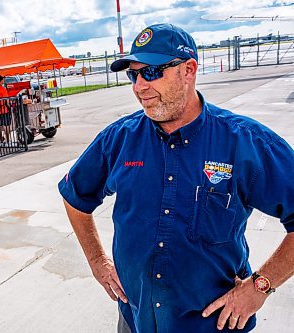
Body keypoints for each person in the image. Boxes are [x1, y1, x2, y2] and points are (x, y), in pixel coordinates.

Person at [58, 23, 293, 333]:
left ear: (189, 70)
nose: (139, 87)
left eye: (152, 72)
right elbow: (75, 196)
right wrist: (97, 260)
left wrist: (261, 285)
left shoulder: (244, 142)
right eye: (133, 74)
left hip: (211, 326)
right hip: (135, 321)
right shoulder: (119, 139)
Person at [0, 75, 12, 144]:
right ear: (1, 80)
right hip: (5, 109)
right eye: (3, 79)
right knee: (6, 125)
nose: (3, 80)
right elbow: (6, 100)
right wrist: (10, 107)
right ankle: (8, 140)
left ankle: (0, 140)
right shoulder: (3, 89)